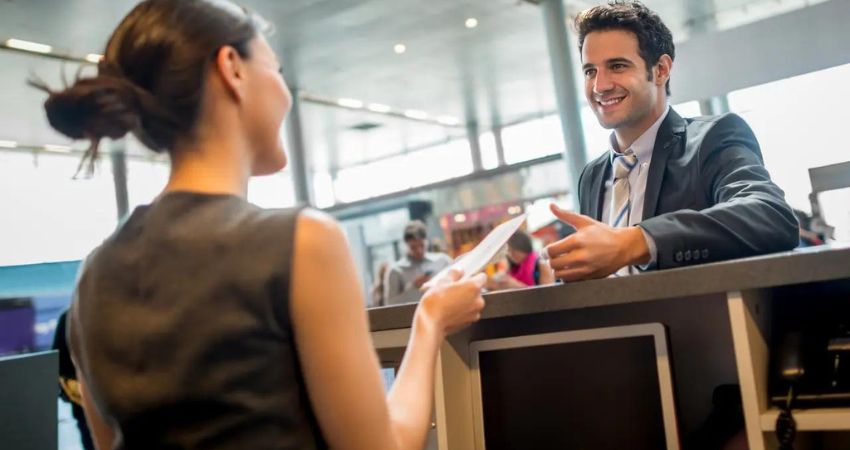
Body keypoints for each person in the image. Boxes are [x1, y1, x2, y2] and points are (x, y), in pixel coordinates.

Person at [34, 1, 486, 449]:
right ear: (232, 67)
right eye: (277, 70)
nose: (285, 94)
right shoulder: (302, 242)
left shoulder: (94, 275)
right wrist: (430, 323)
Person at [545, 0, 798, 281]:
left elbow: (770, 215)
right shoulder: (593, 176)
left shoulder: (713, 138)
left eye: (617, 66)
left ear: (661, 70)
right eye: (590, 71)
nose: (599, 86)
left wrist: (637, 242)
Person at [384, 220, 452, 305]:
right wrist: (413, 287)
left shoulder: (443, 261)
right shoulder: (396, 271)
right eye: (413, 247)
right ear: (405, 245)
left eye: (422, 245)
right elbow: (390, 304)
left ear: (427, 241)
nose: (419, 250)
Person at [487, 231, 554, 291]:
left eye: (513, 250)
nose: (511, 255)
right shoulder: (512, 267)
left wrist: (517, 286)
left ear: (523, 246)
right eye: (508, 251)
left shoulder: (541, 265)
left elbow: (548, 296)